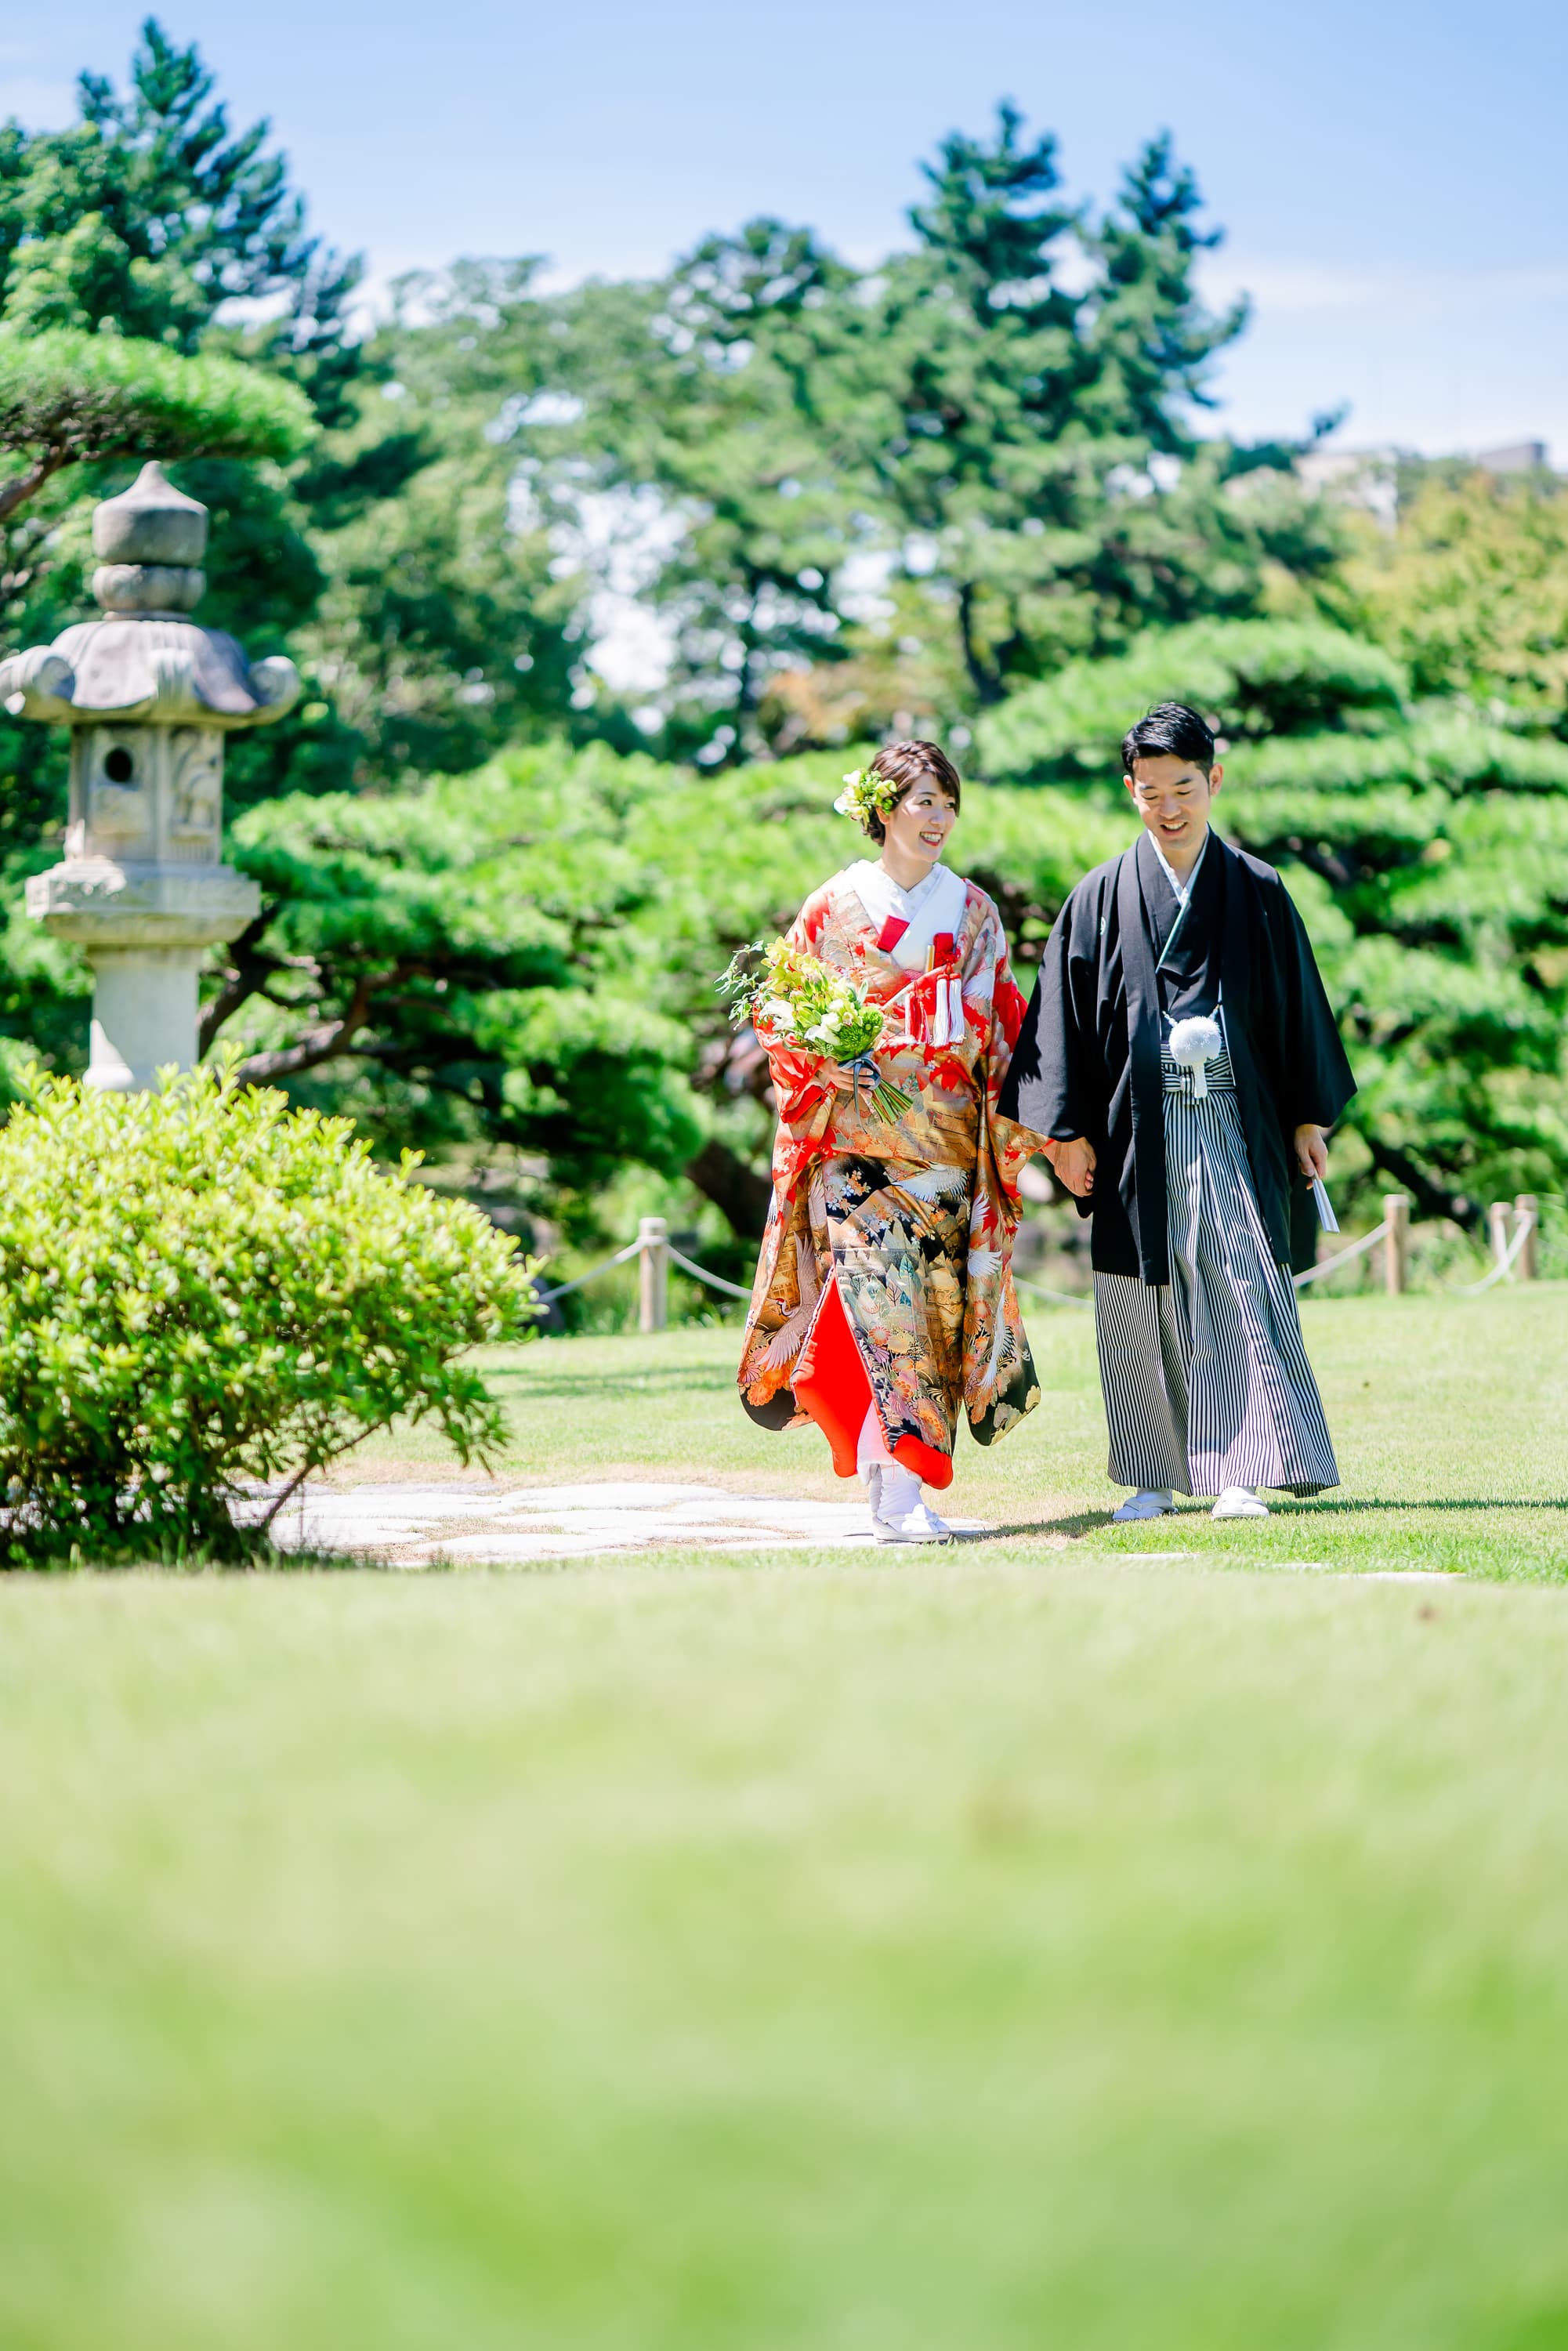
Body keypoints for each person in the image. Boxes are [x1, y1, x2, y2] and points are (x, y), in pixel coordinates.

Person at [998, 702, 1355, 1523]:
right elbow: (1064, 1020)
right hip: (1133, 1133)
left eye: (1184, 788)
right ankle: (1151, 1474)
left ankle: (1241, 1468)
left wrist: (1308, 1119)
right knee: (1137, 1292)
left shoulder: (1259, 891)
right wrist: (1065, 1133)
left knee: (1236, 1279)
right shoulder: (1098, 897)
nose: (1170, 807)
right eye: (1151, 791)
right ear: (1131, 791)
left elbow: (1298, 1008)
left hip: (1234, 1121)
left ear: (1214, 781)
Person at [737, 740, 1041, 1543]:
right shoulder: (832, 906)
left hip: (943, 1150)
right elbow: (782, 1016)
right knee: (886, 1317)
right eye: (923, 801)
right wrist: (822, 1065)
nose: (938, 818)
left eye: (948, 803)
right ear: (882, 808)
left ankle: (891, 1485)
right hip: (855, 1153)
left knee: (928, 1327)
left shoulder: (973, 912)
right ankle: (899, 1498)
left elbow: (1001, 1024)